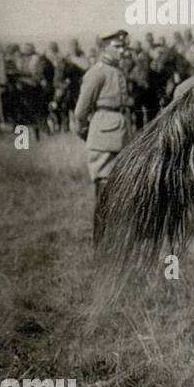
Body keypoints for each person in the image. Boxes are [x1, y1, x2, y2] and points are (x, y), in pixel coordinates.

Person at [74, 30, 132, 239]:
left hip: (120, 133)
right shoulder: (97, 73)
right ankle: (101, 242)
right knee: (105, 191)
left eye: (124, 46)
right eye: (118, 47)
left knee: (120, 190)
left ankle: (116, 239)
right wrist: (84, 131)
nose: (122, 50)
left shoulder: (116, 71)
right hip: (104, 135)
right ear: (104, 47)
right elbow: (81, 110)